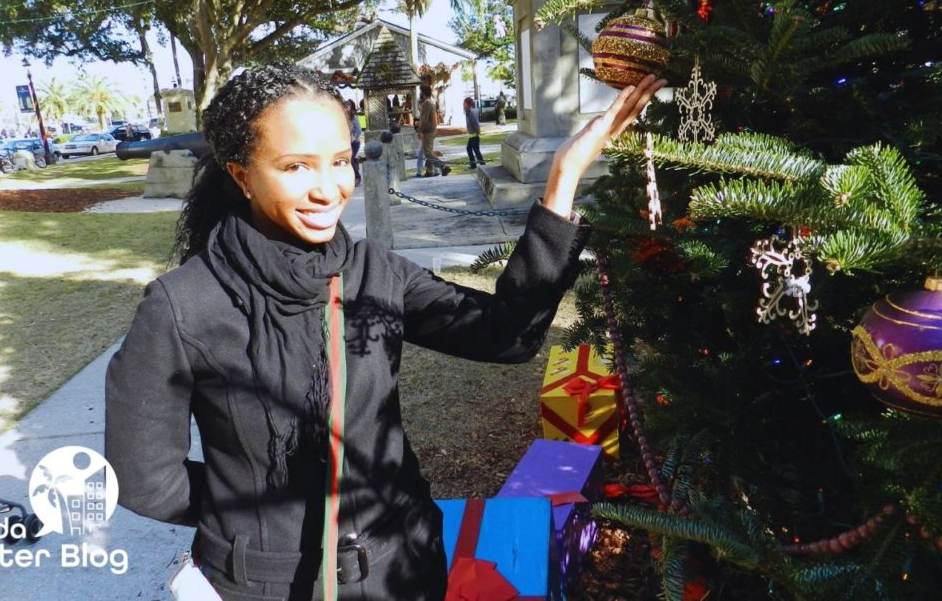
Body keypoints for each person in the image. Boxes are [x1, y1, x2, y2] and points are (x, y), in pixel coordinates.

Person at [104, 64, 665, 600]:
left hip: (408, 564)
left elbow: (505, 334)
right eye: (295, 167)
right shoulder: (182, 305)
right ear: (241, 174)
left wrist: (563, 179)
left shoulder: (374, 272)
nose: (328, 189)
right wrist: (255, 513)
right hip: (270, 584)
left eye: (340, 161)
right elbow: (144, 480)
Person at [415, 85, 448, 178]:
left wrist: (419, 130)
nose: (420, 94)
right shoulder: (431, 102)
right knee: (428, 151)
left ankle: (443, 166)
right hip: (431, 130)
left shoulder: (426, 103)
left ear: (423, 93)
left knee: (428, 153)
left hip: (428, 130)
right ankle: (429, 171)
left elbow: (424, 120)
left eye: (421, 92)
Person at [463, 97, 485, 170]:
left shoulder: (470, 112)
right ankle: (475, 164)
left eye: (464, 103)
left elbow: (475, 123)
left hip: (474, 135)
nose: (463, 105)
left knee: (474, 149)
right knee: (471, 149)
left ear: (468, 104)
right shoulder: (468, 112)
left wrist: (478, 132)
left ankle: (481, 164)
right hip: (472, 135)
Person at [347, 100, 362, 186]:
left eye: (348, 106)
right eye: (345, 105)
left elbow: (359, 130)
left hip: (355, 142)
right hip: (347, 142)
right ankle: (356, 164)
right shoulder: (344, 117)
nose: (346, 107)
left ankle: (357, 177)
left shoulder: (354, 118)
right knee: (349, 159)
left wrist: (354, 137)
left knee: (350, 158)